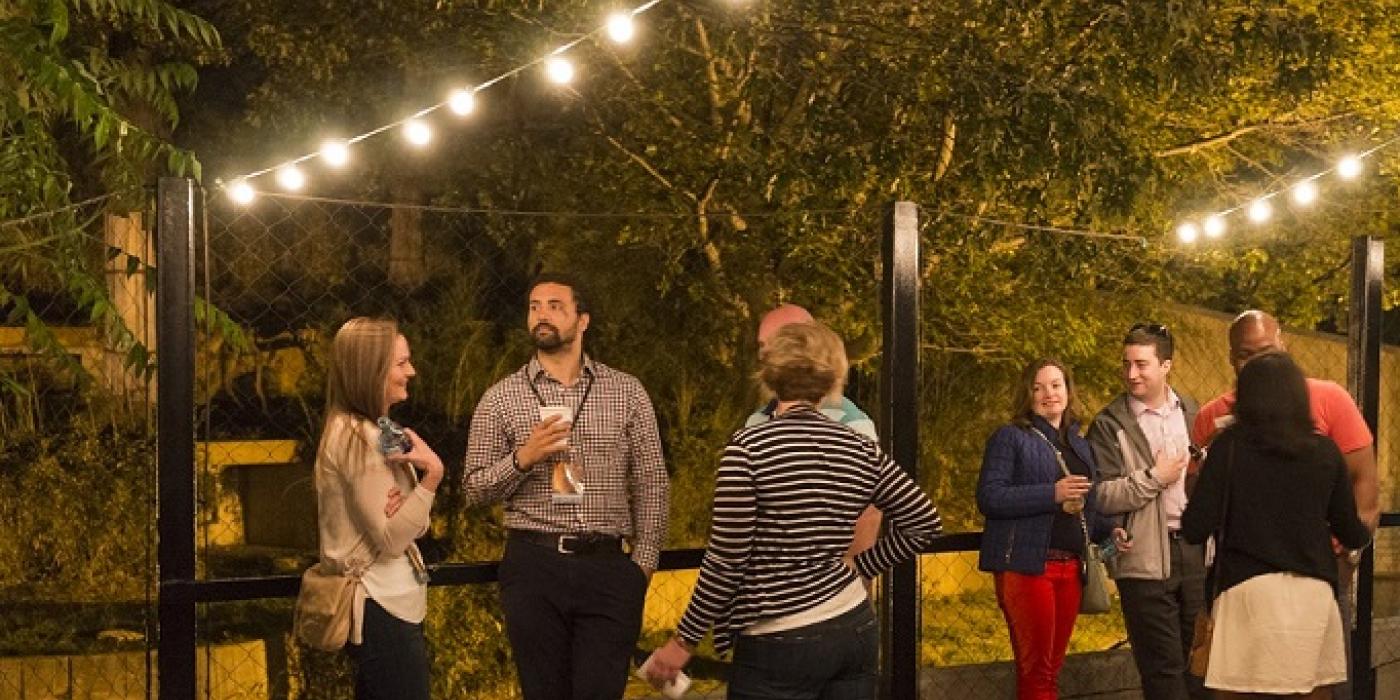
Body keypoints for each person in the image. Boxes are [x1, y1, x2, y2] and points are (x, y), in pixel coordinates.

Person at [643, 322, 942, 699]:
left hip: (778, 642)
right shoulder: (859, 446)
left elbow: (726, 559)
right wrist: (859, 567)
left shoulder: (748, 449)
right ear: (834, 378)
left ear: (769, 373)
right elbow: (926, 522)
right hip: (853, 628)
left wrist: (683, 642)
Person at [462, 273, 669, 700]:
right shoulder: (500, 398)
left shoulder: (626, 391)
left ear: (583, 320)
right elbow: (474, 489)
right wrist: (523, 459)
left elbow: (652, 480)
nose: (542, 315)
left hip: (608, 566)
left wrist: (641, 566)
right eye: (535, 306)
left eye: (555, 306)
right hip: (534, 566)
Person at [1190, 310, 1379, 700]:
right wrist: (1347, 552)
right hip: (1313, 596)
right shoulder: (1325, 451)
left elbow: (1195, 526)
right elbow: (1353, 530)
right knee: (1314, 692)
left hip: (1245, 595)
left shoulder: (1227, 446)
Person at [978, 358, 1128, 700]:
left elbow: (1086, 505)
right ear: (1027, 394)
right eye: (1038, 387)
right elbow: (990, 497)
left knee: (1052, 669)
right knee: (1037, 671)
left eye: (1056, 385)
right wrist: (1052, 493)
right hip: (1028, 566)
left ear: (1068, 390)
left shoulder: (1079, 443)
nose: (1049, 394)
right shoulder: (1010, 437)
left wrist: (1109, 531)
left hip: (1072, 568)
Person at [314, 318, 445, 700]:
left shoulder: (367, 429)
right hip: (381, 604)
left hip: (389, 605)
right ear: (371, 370)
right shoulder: (360, 439)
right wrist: (432, 476)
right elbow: (392, 538)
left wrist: (410, 503)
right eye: (401, 363)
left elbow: (417, 526)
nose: (412, 372)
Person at [1088, 323, 1199, 700]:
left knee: (1202, 664)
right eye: (1126, 364)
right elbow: (1102, 496)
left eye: (1141, 364)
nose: (1130, 373)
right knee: (1163, 673)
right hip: (1143, 558)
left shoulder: (1193, 412)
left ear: (1166, 365)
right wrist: (1155, 477)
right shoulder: (1108, 424)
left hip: (1198, 551)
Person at [745, 303, 882, 561]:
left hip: (829, 588)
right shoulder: (756, 421)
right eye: (762, 346)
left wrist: (856, 571)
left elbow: (869, 511)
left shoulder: (852, 425)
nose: (765, 356)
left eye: (774, 345)